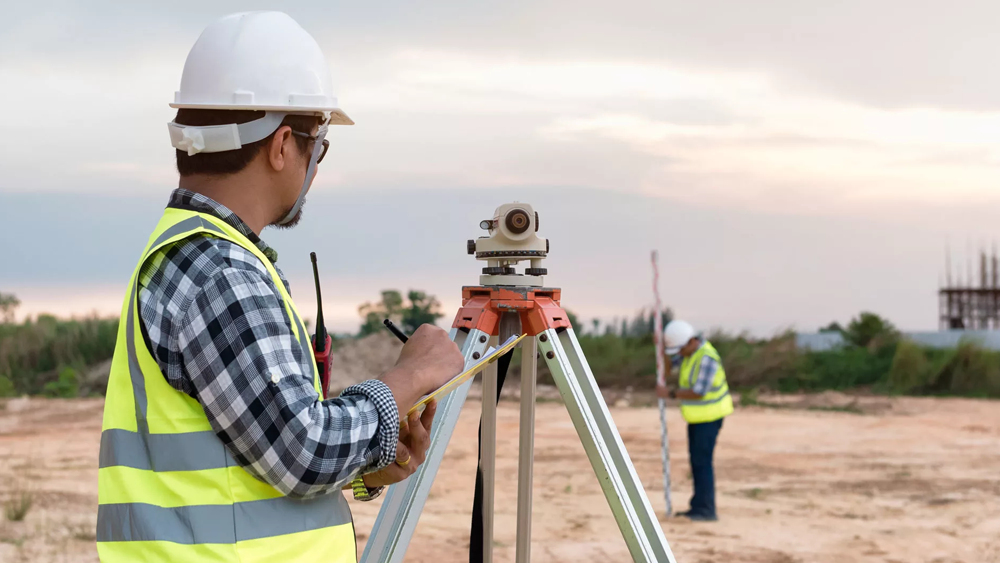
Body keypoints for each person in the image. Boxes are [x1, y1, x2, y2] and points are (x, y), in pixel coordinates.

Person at [95, 12, 465, 562]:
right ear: (283, 144)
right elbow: (303, 449)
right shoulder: (220, 272)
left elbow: (251, 462)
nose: (316, 166)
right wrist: (411, 376)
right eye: (319, 144)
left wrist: (367, 464)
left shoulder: (195, 255)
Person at [656, 319, 733, 522]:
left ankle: (706, 509)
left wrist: (670, 394)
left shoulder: (706, 357)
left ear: (691, 341)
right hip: (697, 418)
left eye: (679, 350)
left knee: (702, 463)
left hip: (710, 417)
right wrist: (662, 350)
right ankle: (698, 506)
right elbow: (667, 369)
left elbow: (699, 392)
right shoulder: (688, 354)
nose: (678, 354)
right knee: (697, 462)